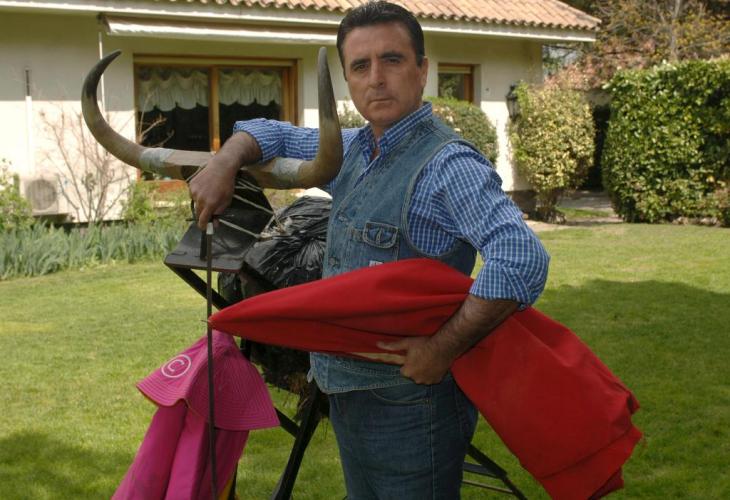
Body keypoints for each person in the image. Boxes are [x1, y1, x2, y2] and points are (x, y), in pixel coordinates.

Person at [190, 1, 549, 498]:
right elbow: (269, 132)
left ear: (422, 70)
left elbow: (520, 258)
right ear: (348, 79)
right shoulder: (354, 150)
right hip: (345, 392)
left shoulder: (448, 165)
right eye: (360, 66)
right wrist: (224, 161)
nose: (376, 78)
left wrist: (442, 348)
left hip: (410, 403)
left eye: (392, 60)